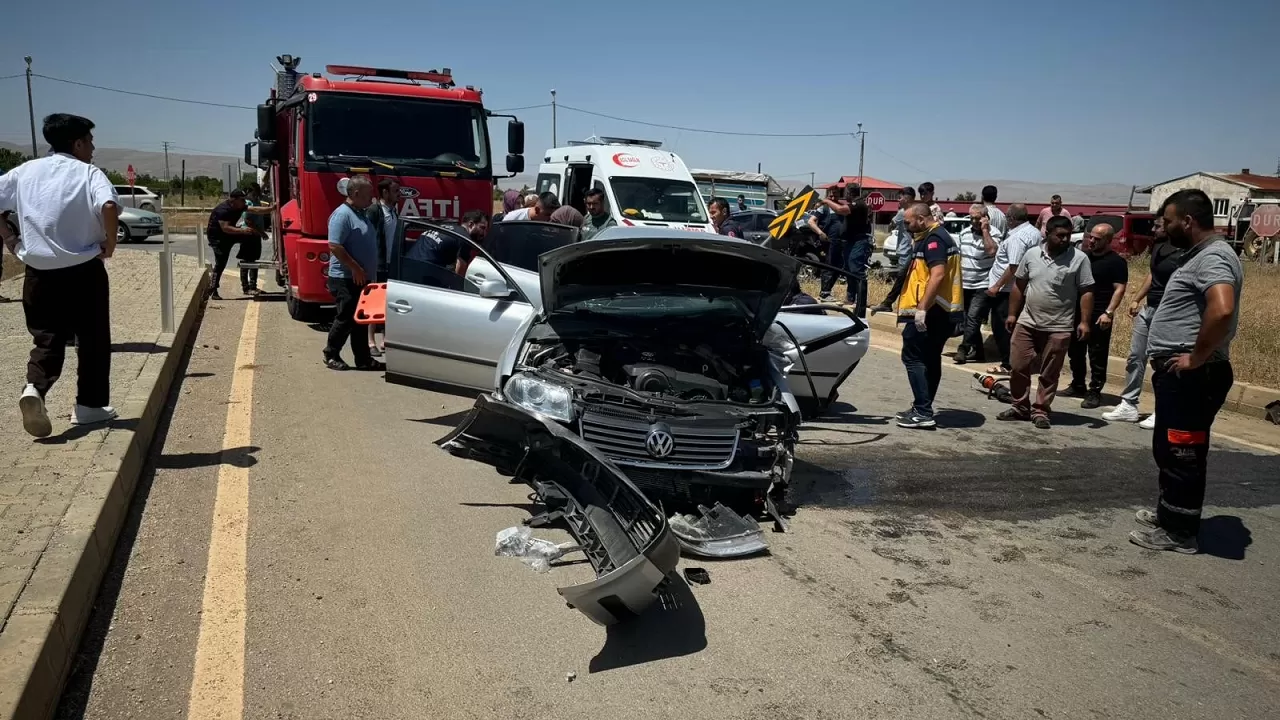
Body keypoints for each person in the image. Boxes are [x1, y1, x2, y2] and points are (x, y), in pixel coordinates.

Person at [1131, 189, 1243, 554]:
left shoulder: (1213, 256)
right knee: (1169, 449)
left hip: (1193, 376)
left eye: (1168, 221)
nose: (1164, 227)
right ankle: (1171, 514)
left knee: (1183, 453)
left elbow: (1222, 309)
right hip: (1181, 376)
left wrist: (1195, 357)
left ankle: (1180, 532)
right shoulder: (1200, 255)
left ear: (1188, 221)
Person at [0, 113, 120, 437]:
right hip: (84, 271)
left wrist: (10, 238)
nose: (93, 148)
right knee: (93, 338)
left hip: (38, 272)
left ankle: (34, 388)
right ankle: (89, 407)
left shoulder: (25, 172)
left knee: (47, 336)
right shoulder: (89, 173)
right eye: (90, 141)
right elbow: (109, 206)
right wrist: (110, 243)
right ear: (77, 143)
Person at [998, 216, 1094, 429]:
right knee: (1018, 366)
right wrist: (1012, 314)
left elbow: (1086, 291)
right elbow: (1019, 285)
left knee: (1049, 372)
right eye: (1060, 235)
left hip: (1059, 326)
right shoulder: (1032, 254)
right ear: (1047, 234)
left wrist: (1085, 322)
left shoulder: (1079, 259)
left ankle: (1040, 410)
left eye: (1068, 235)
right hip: (1027, 322)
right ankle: (1020, 407)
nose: (1065, 239)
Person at [1104, 217, 1179, 427]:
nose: (1153, 229)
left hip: (1167, 312)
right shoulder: (1158, 247)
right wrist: (1137, 298)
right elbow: (1153, 274)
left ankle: (1162, 410)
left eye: (1157, 226)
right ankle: (1129, 404)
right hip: (1149, 309)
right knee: (1136, 356)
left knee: (1162, 362)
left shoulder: (1183, 251)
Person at [895, 202, 964, 429]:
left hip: (933, 310)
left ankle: (923, 411)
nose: (906, 226)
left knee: (912, 355)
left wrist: (922, 308)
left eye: (908, 222)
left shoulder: (935, 240)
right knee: (931, 358)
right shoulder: (934, 236)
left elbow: (938, 275)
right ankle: (922, 407)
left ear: (921, 219)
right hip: (941, 311)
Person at [1064, 223, 1128, 408]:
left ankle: (1095, 391)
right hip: (1078, 312)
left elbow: (1119, 288)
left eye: (1097, 239)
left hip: (1100, 314)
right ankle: (1078, 384)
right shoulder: (1084, 258)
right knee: (1075, 351)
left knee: (1097, 354)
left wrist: (1109, 312)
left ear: (1108, 240)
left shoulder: (1116, 262)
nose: (1091, 241)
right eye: (1090, 237)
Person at [323, 175, 383, 372]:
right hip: (346, 278)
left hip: (362, 278)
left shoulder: (361, 213)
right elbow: (335, 246)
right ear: (356, 194)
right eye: (368, 194)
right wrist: (355, 268)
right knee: (346, 318)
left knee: (360, 320)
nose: (371, 198)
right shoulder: (342, 215)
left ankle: (363, 358)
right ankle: (331, 354)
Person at [975, 203, 1042, 374]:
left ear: (1011, 218)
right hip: (1022, 289)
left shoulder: (1017, 238)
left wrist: (996, 286)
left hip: (1007, 291)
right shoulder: (1034, 232)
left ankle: (1008, 364)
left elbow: (1014, 266)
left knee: (1003, 328)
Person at [956, 203, 1001, 365]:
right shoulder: (964, 233)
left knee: (973, 317)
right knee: (966, 319)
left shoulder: (994, 233)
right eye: (972, 218)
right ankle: (979, 351)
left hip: (982, 284)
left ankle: (964, 348)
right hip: (964, 284)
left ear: (985, 217)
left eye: (978, 218)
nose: (974, 221)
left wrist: (985, 231)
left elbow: (992, 251)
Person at [206, 189, 265, 300]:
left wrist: (272, 209)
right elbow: (225, 228)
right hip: (218, 239)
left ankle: (247, 257)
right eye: (242, 199)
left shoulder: (238, 206)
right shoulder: (223, 210)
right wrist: (242, 230)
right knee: (220, 264)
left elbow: (255, 209)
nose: (245, 202)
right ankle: (213, 289)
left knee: (251, 236)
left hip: (229, 235)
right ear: (234, 199)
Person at [366, 178, 401, 357]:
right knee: (374, 304)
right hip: (378, 265)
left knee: (388, 303)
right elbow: (368, 238)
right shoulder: (375, 211)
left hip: (391, 265)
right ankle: (370, 340)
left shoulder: (394, 211)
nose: (399, 194)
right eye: (395, 191)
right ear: (385, 193)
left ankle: (385, 339)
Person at [869, 186, 917, 313]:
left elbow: (891, 225)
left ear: (907, 198)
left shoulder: (902, 213)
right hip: (909, 250)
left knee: (901, 278)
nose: (898, 200)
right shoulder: (917, 211)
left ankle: (888, 303)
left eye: (900, 198)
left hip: (906, 250)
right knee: (905, 279)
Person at [237, 183, 274, 295]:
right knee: (246, 262)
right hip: (249, 235)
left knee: (253, 261)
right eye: (256, 191)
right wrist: (262, 233)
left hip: (255, 235)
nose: (258, 193)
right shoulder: (249, 203)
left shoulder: (256, 201)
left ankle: (253, 286)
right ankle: (246, 287)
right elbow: (249, 221)